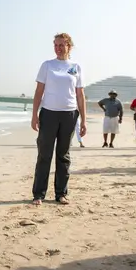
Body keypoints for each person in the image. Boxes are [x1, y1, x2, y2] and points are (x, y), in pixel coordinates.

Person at [31, 33, 86, 206]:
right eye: (55, 45)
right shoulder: (47, 65)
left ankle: (61, 193)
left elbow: (80, 94)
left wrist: (83, 119)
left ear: (69, 46)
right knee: (44, 155)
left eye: (62, 45)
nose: (58, 48)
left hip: (69, 115)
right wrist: (34, 115)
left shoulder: (76, 67)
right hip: (48, 113)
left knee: (63, 155)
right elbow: (39, 91)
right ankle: (39, 194)